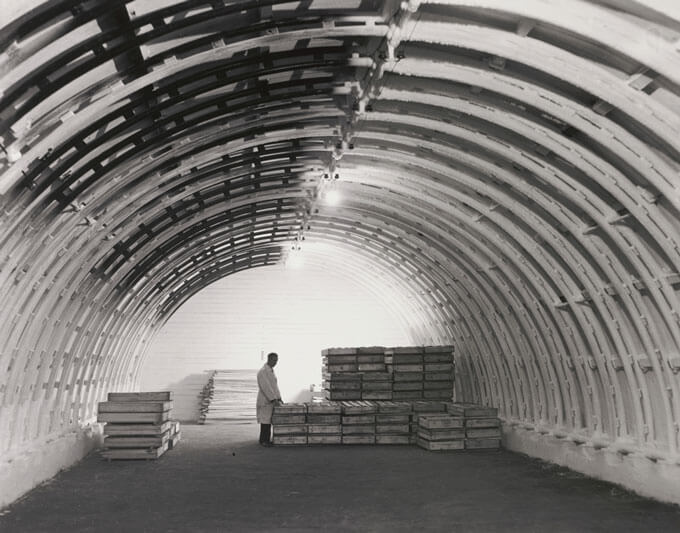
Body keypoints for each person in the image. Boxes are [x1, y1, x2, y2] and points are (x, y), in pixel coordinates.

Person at [256, 352, 283, 446]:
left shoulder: (271, 371)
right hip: (265, 400)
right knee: (265, 421)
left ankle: (265, 440)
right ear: (269, 359)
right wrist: (273, 399)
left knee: (268, 421)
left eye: (277, 360)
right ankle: (264, 441)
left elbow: (275, 387)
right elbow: (266, 387)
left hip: (270, 400)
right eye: (274, 360)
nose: (276, 362)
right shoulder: (263, 371)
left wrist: (279, 398)